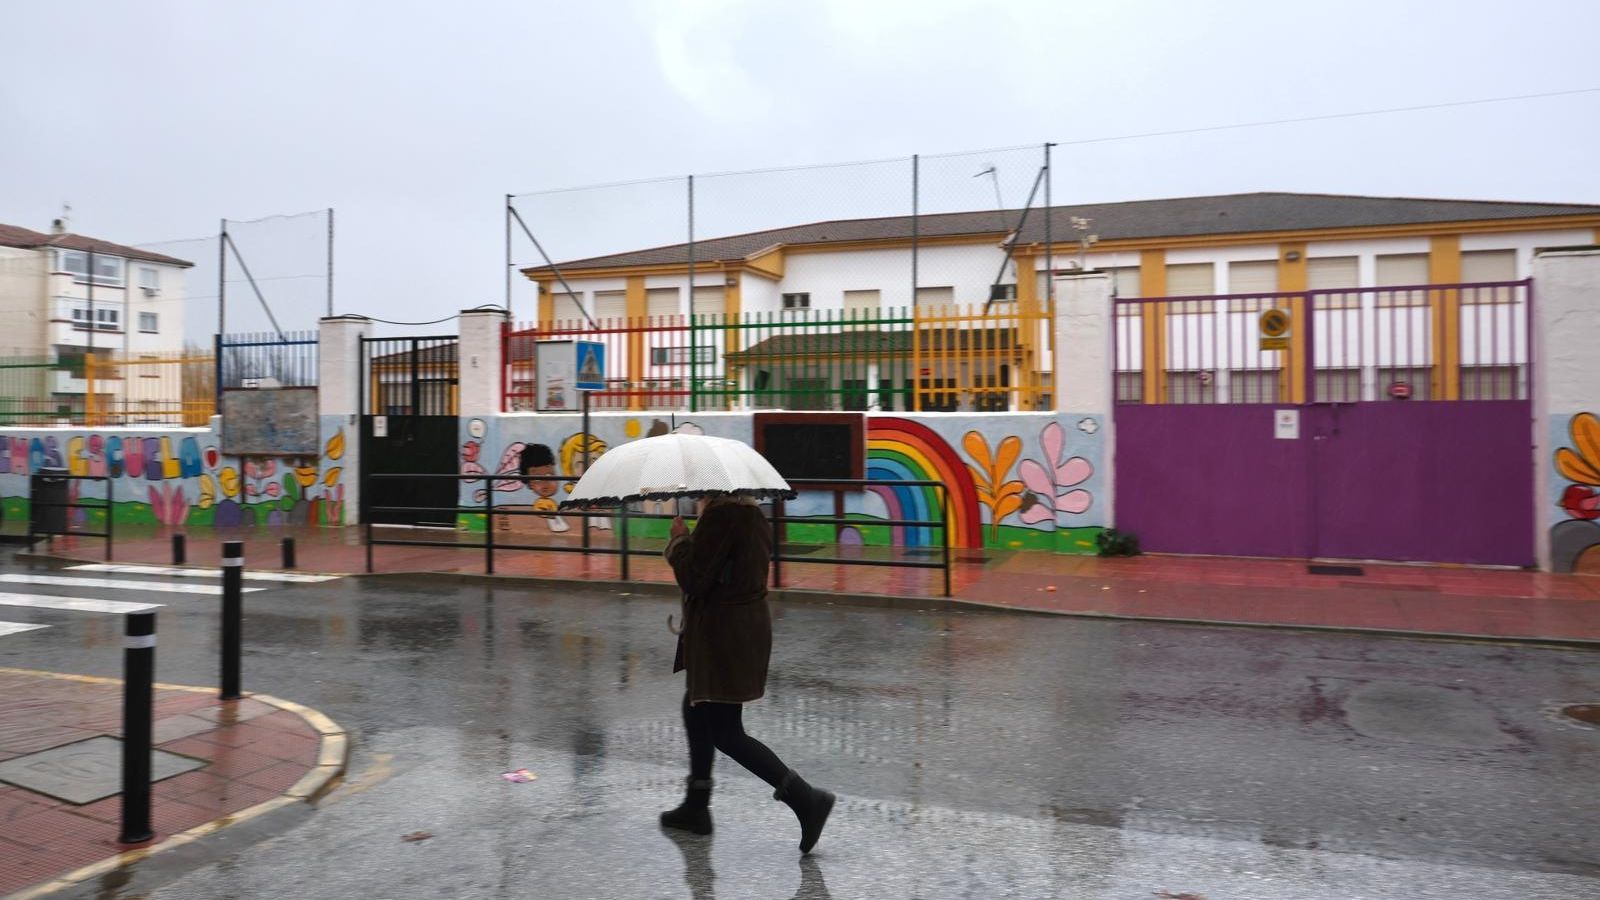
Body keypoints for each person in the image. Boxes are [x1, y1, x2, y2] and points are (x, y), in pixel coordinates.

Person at [659, 494, 835, 854]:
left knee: (725, 730)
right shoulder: (751, 515)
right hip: (739, 629)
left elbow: (696, 578)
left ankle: (806, 799)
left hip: (724, 635)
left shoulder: (722, 517)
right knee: (695, 707)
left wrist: (679, 542)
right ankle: (696, 805)